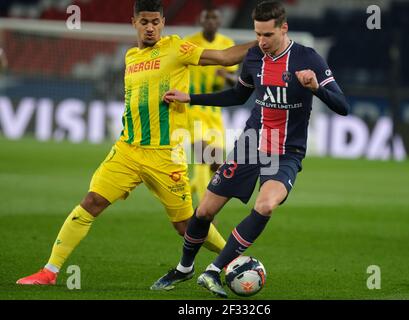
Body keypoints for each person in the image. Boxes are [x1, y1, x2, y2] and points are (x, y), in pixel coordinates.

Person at [16, 0, 256, 287]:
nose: (151, 27)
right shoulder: (130, 57)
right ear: (134, 23)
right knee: (91, 201)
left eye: (156, 22)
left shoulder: (177, 48)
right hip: (127, 150)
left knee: (185, 225)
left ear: (163, 23)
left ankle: (234, 256)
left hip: (165, 155)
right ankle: (49, 271)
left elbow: (225, 56)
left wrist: (261, 42)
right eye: (145, 22)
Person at [151, 0, 350, 297]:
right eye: (257, 34)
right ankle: (184, 268)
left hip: (286, 151)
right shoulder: (255, 57)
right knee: (204, 210)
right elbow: (236, 95)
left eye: (267, 35)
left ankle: (213, 271)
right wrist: (190, 98)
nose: (261, 41)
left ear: (283, 28)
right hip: (250, 145)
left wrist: (315, 89)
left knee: (266, 205)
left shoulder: (308, 58)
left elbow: (343, 106)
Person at [185, 8, 238, 203]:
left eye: (214, 17)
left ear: (220, 20)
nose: (210, 21)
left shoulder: (227, 44)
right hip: (193, 109)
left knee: (216, 166)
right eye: (206, 17)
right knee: (203, 156)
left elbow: (236, 81)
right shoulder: (189, 43)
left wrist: (227, 76)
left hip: (215, 113)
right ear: (200, 20)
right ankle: (204, 213)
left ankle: (188, 190)